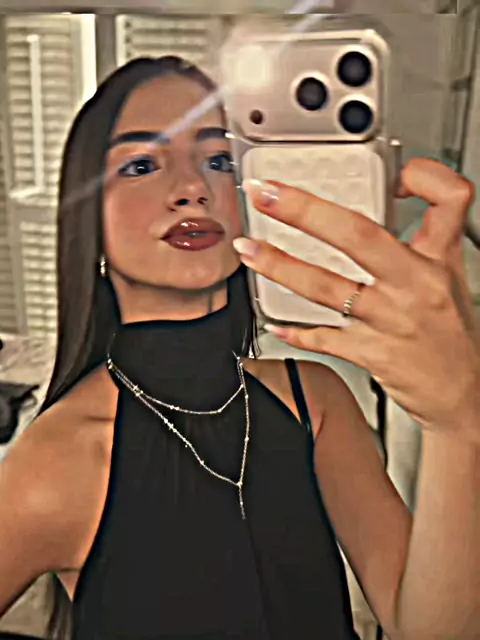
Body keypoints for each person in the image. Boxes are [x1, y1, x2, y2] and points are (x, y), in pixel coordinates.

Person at [0, 55, 478, 640]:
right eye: (142, 164)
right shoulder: (56, 457)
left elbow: (430, 629)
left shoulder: (315, 400)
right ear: (89, 223)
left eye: (220, 160)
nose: (193, 189)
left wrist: (459, 424)